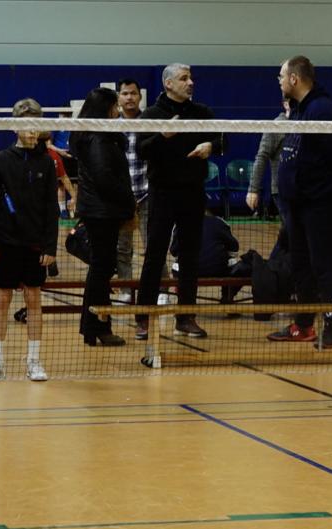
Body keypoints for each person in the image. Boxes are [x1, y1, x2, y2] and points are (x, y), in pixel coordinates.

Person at [135, 63, 223, 340]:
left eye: (191, 78)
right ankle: (143, 317)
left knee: (189, 256)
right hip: (162, 193)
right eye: (184, 78)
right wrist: (163, 136)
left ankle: (186, 317)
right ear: (169, 83)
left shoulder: (202, 112)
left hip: (193, 192)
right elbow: (141, 150)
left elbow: (223, 139)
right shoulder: (151, 115)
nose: (191, 82)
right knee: (155, 254)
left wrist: (212, 146)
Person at [267, 56, 332, 348]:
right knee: (300, 264)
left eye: (281, 76)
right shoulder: (299, 110)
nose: (279, 81)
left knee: (324, 265)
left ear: (294, 78)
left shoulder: (322, 109)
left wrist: (319, 194)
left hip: (319, 206)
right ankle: (303, 325)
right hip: (296, 206)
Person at [0, 98, 59, 382]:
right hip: (6, 242)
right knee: (2, 299)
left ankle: (34, 361)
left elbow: (52, 207)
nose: (32, 130)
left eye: (37, 124)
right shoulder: (2, 160)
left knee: (33, 299)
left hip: (35, 244)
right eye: (27, 124)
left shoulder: (47, 162)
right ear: (15, 127)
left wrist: (50, 246)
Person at [73, 87, 136, 347]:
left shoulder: (98, 135)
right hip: (102, 213)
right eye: (114, 107)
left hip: (101, 210)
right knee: (102, 268)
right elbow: (105, 178)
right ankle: (97, 326)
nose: (117, 111)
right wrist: (129, 204)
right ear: (105, 109)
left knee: (101, 267)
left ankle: (93, 327)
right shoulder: (98, 138)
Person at [114, 78, 167, 305]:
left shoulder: (149, 120)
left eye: (133, 93)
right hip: (121, 197)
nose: (129, 97)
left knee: (153, 245)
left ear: (140, 96)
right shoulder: (111, 124)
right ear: (118, 97)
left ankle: (163, 289)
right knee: (122, 247)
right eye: (125, 93)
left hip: (147, 194)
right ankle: (126, 290)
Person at [245, 99, 289, 219]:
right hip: (281, 190)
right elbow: (261, 157)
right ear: (286, 104)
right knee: (292, 226)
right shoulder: (276, 126)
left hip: (301, 188)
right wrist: (253, 189)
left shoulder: (303, 123)